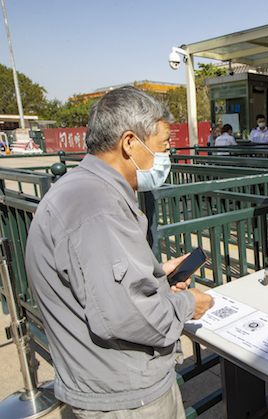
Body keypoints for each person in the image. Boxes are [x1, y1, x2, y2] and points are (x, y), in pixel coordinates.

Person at [25, 86, 214, 418]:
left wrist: (156, 277)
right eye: (163, 146)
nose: (166, 156)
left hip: (103, 382)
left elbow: (101, 285)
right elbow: (127, 317)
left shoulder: (78, 188)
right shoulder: (98, 207)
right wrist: (189, 303)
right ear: (130, 143)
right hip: (126, 398)